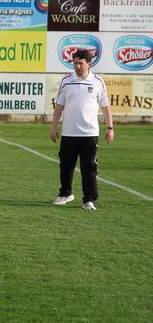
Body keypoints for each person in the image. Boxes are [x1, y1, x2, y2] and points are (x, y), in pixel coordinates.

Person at [50, 49, 114, 211]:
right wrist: (54, 127)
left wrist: (110, 127)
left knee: (89, 167)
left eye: (81, 63)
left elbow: (105, 106)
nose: (77, 66)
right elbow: (59, 105)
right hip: (69, 132)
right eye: (75, 63)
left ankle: (89, 199)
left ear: (88, 63)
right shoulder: (66, 80)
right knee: (66, 165)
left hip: (89, 133)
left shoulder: (98, 82)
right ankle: (65, 194)